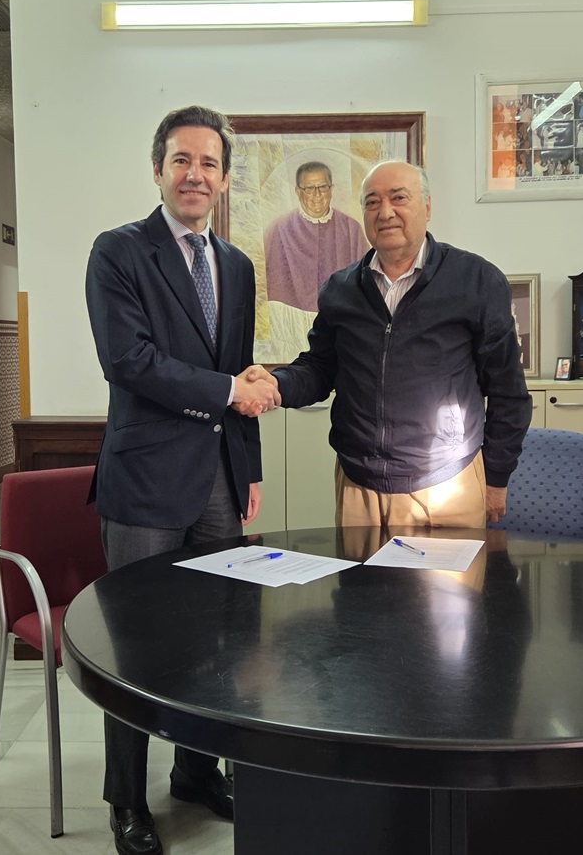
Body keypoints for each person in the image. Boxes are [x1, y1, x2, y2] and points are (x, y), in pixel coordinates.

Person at [86, 104, 279, 855]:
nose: (195, 174)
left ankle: (196, 772)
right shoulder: (119, 252)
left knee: (219, 641)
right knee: (135, 650)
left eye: (208, 163)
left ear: (224, 180)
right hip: (143, 485)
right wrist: (230, 392)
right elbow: (128, 361)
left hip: (219, 485)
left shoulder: (237, 265)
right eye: (181, 160)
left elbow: (239, 369)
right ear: (158, 170)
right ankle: (126, 800)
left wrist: (247, 466)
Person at [244, 161, 531, 529]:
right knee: (356, 571)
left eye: (399, 198)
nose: (385, 212)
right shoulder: (341, 289)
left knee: (453, 572)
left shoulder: (476, 281)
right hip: (358, 485)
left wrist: (497, 477)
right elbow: (319, 368)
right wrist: (276, 384)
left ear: (427, 206)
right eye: (372, 202)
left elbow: (508, 391)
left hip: (447, 483)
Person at [264, 161, 369, 312]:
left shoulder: (352, 229)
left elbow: (365, 282)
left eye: (323, 187)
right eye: (309, 188)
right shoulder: (279, 229)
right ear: (298, 192)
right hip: (293, 319)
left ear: (331, 189)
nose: (317, 194)